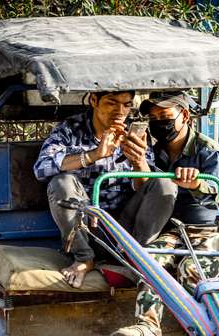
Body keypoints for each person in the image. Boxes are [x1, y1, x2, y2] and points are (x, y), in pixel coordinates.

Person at [109, 92, 219, 336]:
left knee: (191, 270)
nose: (160, 123)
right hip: (176, 230)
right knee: (150, 258)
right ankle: (147, 328)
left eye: (166, 117)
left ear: (185, 116)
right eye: (155, 118)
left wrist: (197, 180)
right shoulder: (155, 150)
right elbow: (144, 187)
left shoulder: (209, 151)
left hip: (213, 230)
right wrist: (139, 165)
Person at [33, 91, 177, 288]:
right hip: (87, 227)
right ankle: (84, 259)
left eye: (126, 105)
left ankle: (138, 259)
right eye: (112, 103)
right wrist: (93, 155)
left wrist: (139, 162)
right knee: (61, 182)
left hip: (125, 229)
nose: (120, 111)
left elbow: (146, 188)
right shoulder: (70, 130)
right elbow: (41, 168)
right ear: (94, 100)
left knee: (164, 183)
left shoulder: (134, 135)